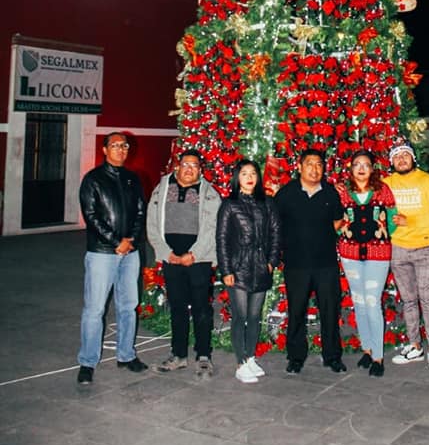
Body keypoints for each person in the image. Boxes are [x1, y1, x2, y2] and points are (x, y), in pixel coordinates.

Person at [77, 131, 147, 384]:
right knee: (95, 309)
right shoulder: (93, 179)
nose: (121, 149)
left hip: (130, 253)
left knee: (128, 306)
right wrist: (116, 242)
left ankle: (126, 355)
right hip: (102, 253)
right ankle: (87, 362)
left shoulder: (132, 179)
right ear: (105, 150)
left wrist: (130, 241)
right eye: (115, 145)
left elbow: (141, 211)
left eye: (124, 145)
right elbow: (91, 215)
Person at [146, 148, 221, 378]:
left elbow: (212, 229)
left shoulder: (209, 194)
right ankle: (178, 355)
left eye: (194, 166)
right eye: (185, 164)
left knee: (201, 308)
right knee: (177, 307)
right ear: (177, 166)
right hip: (171, 258)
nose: (189, 169)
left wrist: (194, 254)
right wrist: (165, 252)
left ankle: (203, 356)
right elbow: (152, 223)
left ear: (201, 170)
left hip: (199, 259)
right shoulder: (162, 189)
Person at [274, 149, 346, 374]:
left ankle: (332, 355)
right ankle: (296, 356)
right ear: (299, 166)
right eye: (309, 164)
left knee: (330, 311)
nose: (314, 169)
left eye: (319, 165)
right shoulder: (286, 194)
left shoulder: (330, 194)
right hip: (296, 265)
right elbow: (275, 226)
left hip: (326, 264)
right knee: (297, 311)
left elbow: (338, 222)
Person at [216, 159, 282, 384]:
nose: (249, 177)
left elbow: (275, 234)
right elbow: (222, 239)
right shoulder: (230, 204)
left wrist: (272, 261)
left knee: (254, 316)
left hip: (261, 266)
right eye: (244, 173)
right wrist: (226, 269)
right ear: (237, 178)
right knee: (240, 315)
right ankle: (240, 362)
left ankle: (251, 357)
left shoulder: (268, 203)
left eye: (253, 173)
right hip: (238, 267)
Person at [384, 137, 429, 375]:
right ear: (392, 161)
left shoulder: (427, 181)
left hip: (425, 247)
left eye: (405, 155)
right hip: (398, 248)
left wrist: (410, 220)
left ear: (412, 157)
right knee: (408, 300)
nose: (401, 159)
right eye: (396, 156)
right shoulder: (386, 182)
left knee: (427, 298)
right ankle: (414, 345)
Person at [336, 151, 397, 377]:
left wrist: (385, 233)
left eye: (366, 165)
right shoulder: (343, 192)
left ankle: (378, 357)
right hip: (350, 253)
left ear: (372, 169)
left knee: (372, 302)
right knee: (359, 302)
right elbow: (334, 218)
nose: (361, 168)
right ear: (351, 168)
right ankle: (367, 349)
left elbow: (393, 218)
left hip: (377, 254)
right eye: (357, 165)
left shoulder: (382, 190)